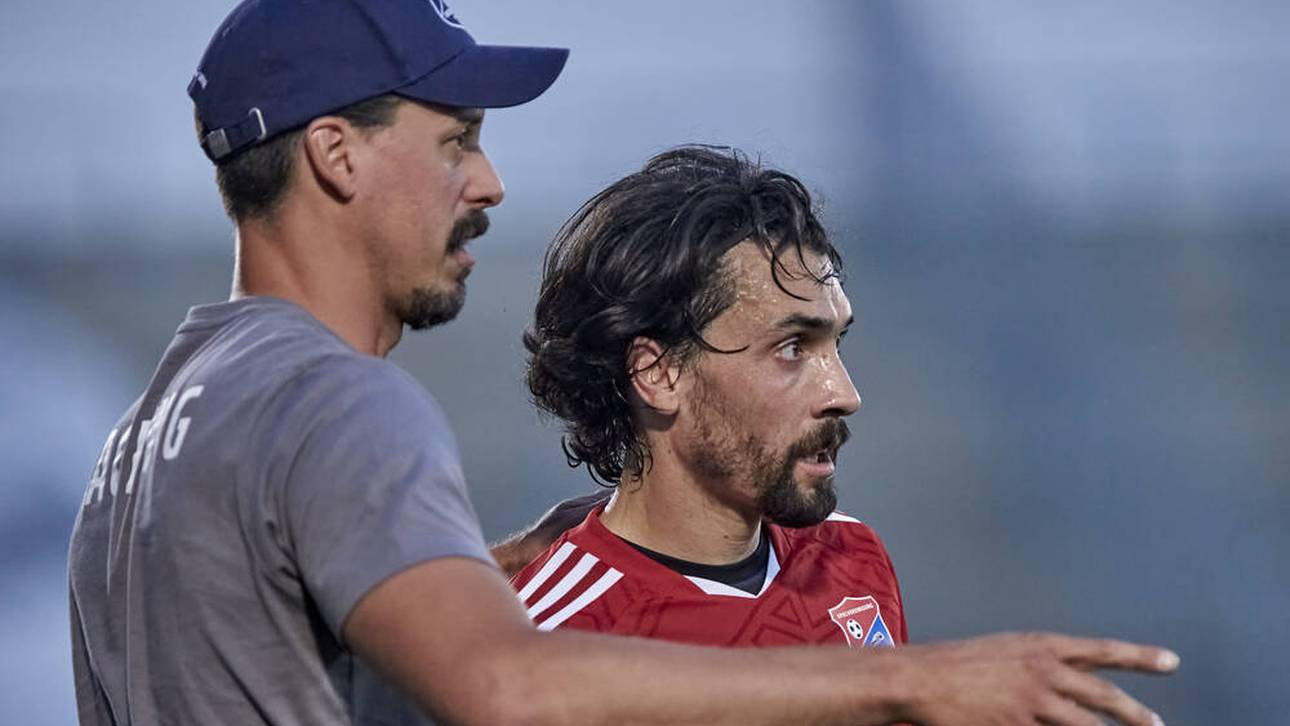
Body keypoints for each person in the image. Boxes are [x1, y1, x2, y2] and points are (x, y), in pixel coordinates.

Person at [68, 1, 1179, 724]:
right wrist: (917, 683)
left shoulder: (146, 441)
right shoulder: (341, 403)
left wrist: (469, 563)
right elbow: (507, 686)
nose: (490, 180)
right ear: (335, 152)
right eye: (455, 138)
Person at [512, 146, 906, 648]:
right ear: (658, 373)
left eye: (836, 343)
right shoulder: (554, 643)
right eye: (792, 348)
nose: (844, 395)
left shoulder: (854, 559)